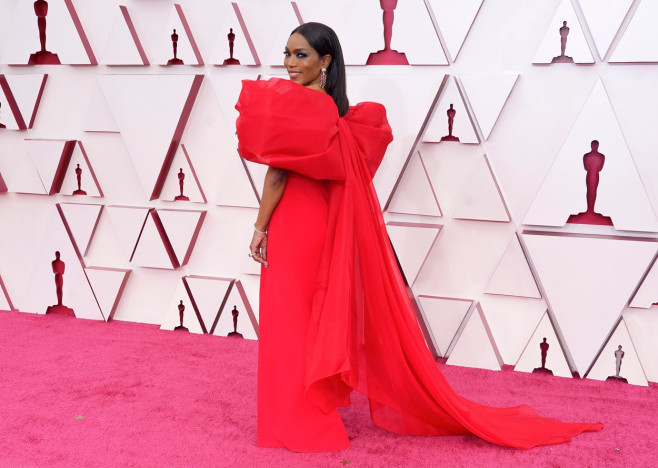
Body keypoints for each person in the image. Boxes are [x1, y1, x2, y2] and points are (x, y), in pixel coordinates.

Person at [235, 22, 602, 453]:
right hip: (324, 224)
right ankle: (308, 415)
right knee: (308, 318)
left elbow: (277, 174)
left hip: (295, 223)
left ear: (325, 61)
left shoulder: (295, 107)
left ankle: (296, 423)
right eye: (288, 53)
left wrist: (260, 227)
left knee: (289, 321)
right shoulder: (338, 115)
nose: (290, 63)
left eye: (301, 55)